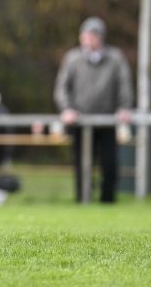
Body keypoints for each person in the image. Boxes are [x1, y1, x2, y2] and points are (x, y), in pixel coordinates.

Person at [54, 17, 133, 203]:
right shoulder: (72, 59)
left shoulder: (115, 59)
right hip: (80, 122)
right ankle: (83, 200)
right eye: (85, 35)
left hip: (107, 122)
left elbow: (124, 86)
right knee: (82, 165)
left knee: (110, 164)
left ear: (101, 38)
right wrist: (67, 109)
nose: (87, 39)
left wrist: (124, 108)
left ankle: (108, 201)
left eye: (92, 35)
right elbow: (61, 88)